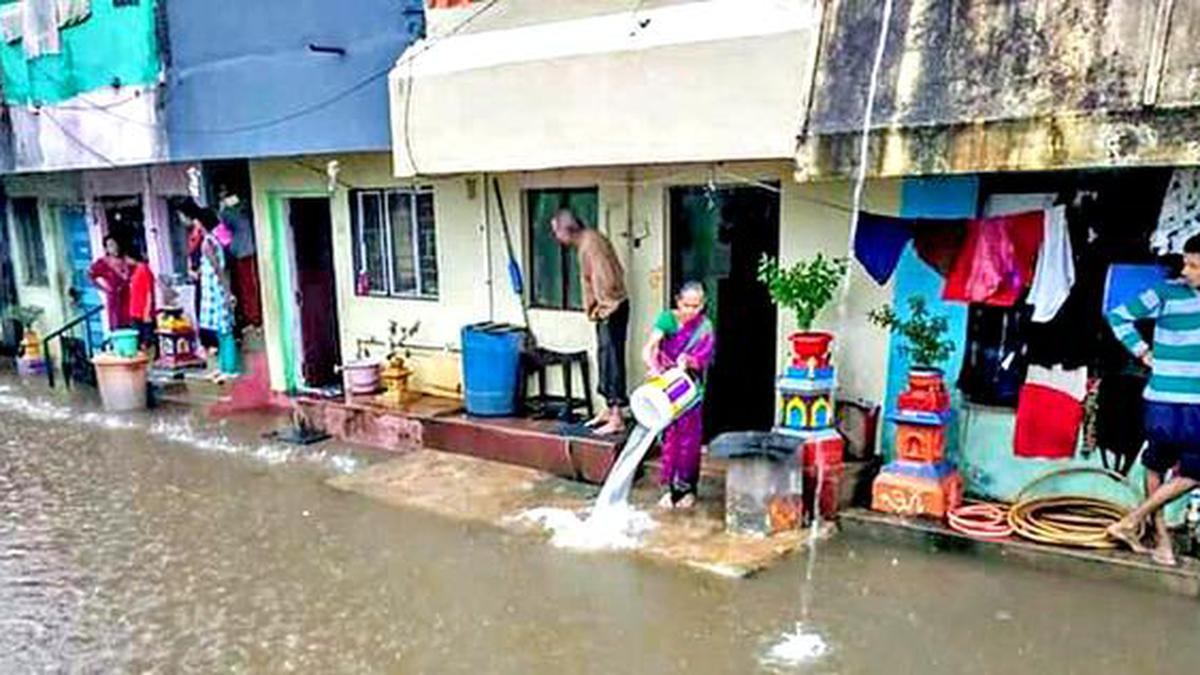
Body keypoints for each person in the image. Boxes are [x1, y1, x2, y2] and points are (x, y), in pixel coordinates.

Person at [1106, 233, 1200, 566]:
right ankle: (1158, 538)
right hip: (1163, 398)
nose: (1185, 271)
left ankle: (1135, 524)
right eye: (1186, 262)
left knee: (1186, 469)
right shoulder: (1164, 292)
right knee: (1156, 465)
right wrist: (1143, 352)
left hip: (1195, 402)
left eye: (1193, 265)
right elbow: (1117, 315)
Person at [551, 208, 629, 436]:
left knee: (612, 360)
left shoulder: (591, 244)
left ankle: (616, 416)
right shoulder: (588, 241)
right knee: (605, 358)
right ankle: (609, 409)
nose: (555, 237)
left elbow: (606, 278)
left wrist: (603, 308)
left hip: (610, 308)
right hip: (606, 309)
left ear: (566, 229)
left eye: (556, 231)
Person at [641, 281, 716, 510]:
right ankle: (670, 490)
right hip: (666, 386)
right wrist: (652, 365)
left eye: (696, 306)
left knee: (689, 441)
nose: (691, 311)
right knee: (669, 438)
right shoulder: (667, 319)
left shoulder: (705, 327)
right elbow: (650, 346)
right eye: (686, 305)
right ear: (678, 302)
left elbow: (705, 357)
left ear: (703, 305)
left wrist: (689, 361)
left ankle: (688, 489)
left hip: (689, 389)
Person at [196, 208, 237, 379]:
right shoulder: (215, 240)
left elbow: (218, 269)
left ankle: (230, 369)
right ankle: (224, 366)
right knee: (221, 331)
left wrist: (228, 293)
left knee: (225, 331)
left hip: (216, 291)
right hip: (216, 289)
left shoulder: (208, 243)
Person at [88, 235, 132, 330]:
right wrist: (105, 287)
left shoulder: (125, 260)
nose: (114, 247)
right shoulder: (103, 263)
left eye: (115, 244)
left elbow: (138, 269)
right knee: (117, 326)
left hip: (129, 298)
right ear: (106, 249)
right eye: (111, 245)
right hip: (115, 300)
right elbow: (91, 275)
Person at [126, 250, 156, 351]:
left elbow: (149, 292)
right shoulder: (135, 270)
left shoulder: (144, 269)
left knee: (145, 340)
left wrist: (147, 311)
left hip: (142, 311)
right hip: (135, 311)